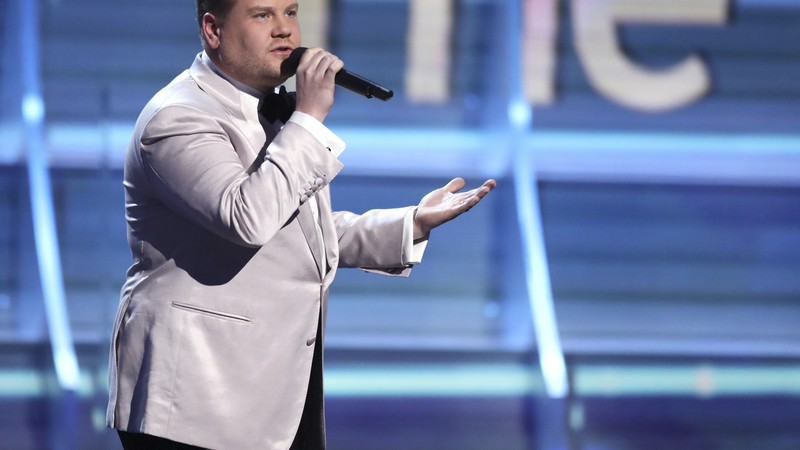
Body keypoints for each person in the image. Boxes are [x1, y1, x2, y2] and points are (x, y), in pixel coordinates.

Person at [105, 0, 496, 449]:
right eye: (262, 15)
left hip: (273, 386)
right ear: (213, 30)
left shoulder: (269, 113)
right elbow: (248, 218)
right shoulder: (178, 118)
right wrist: (308, 120)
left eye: (290, 13)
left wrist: (411, 222)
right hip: (196, 397)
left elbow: (294, 232)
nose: (284, 32)